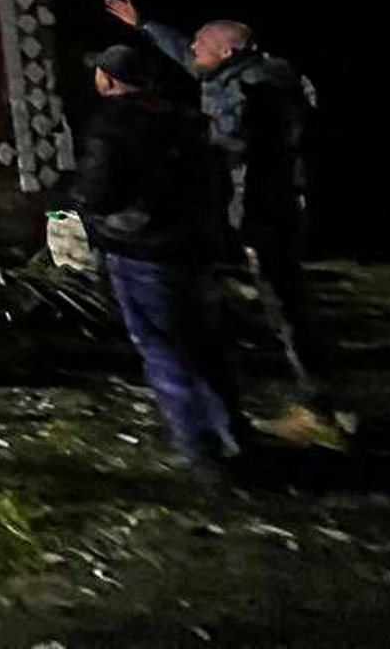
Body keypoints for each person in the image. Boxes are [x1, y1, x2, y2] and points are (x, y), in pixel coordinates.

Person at [103, 0, 337, 447]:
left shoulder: (246, 91)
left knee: (285, 307)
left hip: (265, 214)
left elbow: (231, 145)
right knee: (273, 303)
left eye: (201, 43)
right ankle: (315, 401)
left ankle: (320, 410)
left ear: (226, 52)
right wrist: (144, 24)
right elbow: (186, 57)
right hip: (264, 210)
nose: (192, 49)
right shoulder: (243, 73)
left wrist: (180, 147)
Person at [74, 43, 246, 473]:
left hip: (141, 251)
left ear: (108, 80)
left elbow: (100, 193)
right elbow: (218, 183)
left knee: (162, 346)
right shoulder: (186, 120)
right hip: (194, 248)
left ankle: (198, 446)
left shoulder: (111, 126)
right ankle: (231, 430)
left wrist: (81, 205)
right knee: (205, 342)